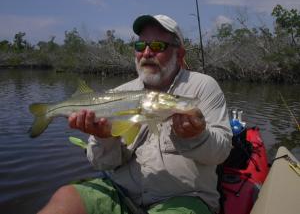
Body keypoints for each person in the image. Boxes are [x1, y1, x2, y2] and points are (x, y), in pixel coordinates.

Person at [38, 14, 232, 214]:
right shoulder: (118, 93)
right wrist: (104, 138)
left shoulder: (203, 87)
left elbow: (223, 151)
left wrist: (197, 136)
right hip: (121, 193)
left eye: (157, 46)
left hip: (183, 199)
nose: (147, 52)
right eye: (140, 46)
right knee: (65, 198)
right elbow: (100, 163)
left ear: (179, 54)